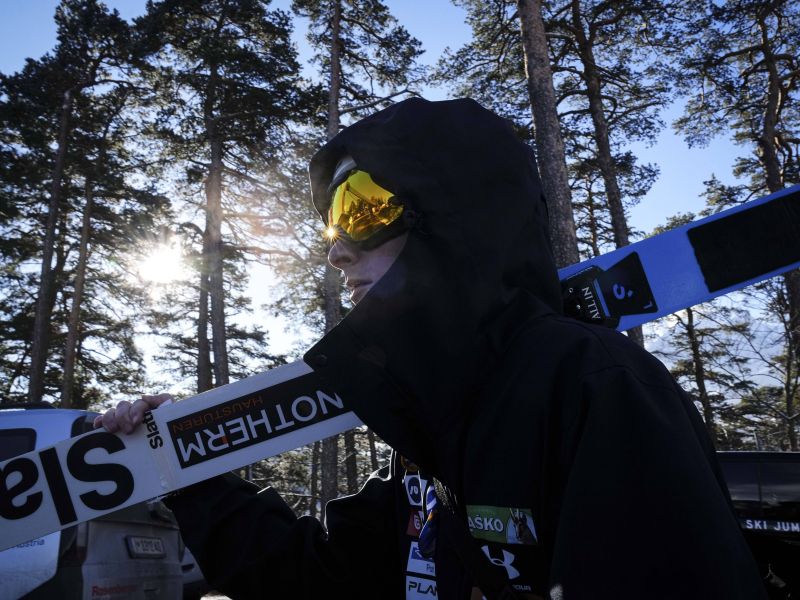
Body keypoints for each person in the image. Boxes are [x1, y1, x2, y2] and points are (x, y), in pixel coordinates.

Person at [96, 98, 766, 599]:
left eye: (360, 208)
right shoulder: (436, 432)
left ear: (453, 214)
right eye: (332, 223)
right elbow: (319, 582)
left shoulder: (594, 387)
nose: (337, 248)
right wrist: (182, 468)